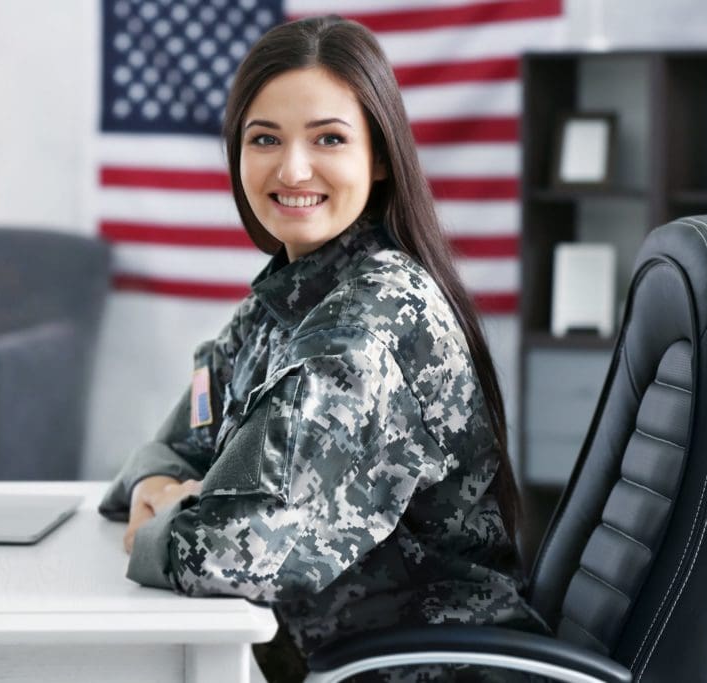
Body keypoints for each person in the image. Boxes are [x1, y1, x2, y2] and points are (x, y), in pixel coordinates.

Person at [98, 15, 547, 683]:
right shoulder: (289, 295)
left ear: (381, 156)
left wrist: (162, 518)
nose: (292, 167)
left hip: (420, 670)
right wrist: (162, 483)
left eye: (329, 138)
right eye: (265, 138)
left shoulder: (366, 327)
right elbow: (178, 443)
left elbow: (226, 553)